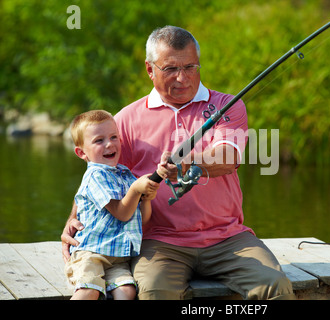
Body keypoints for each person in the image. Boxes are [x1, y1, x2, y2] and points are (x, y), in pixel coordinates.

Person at [62, 26, 295, 300]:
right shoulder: (124, 120)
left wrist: (185, 160)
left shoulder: (227, 105)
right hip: (159, 240)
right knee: (154, 293)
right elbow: (98, 174)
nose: (182, 78)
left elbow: (229, 157)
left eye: (190, 67)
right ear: (150, 70)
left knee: (275, 286)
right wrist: (73, 219)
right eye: (170, 69)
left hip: (228, 237)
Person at [64, 110, 166, 300]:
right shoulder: (95, 176)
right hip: (90, 253)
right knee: (89, 290)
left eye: (113, 137)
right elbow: (122, 213)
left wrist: (147, 199)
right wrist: (136, 189)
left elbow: (142, 219)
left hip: (118, 257)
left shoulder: (124, 174)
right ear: (81, 152)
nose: (109, 144)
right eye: (99, 141)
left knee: (127, 292)